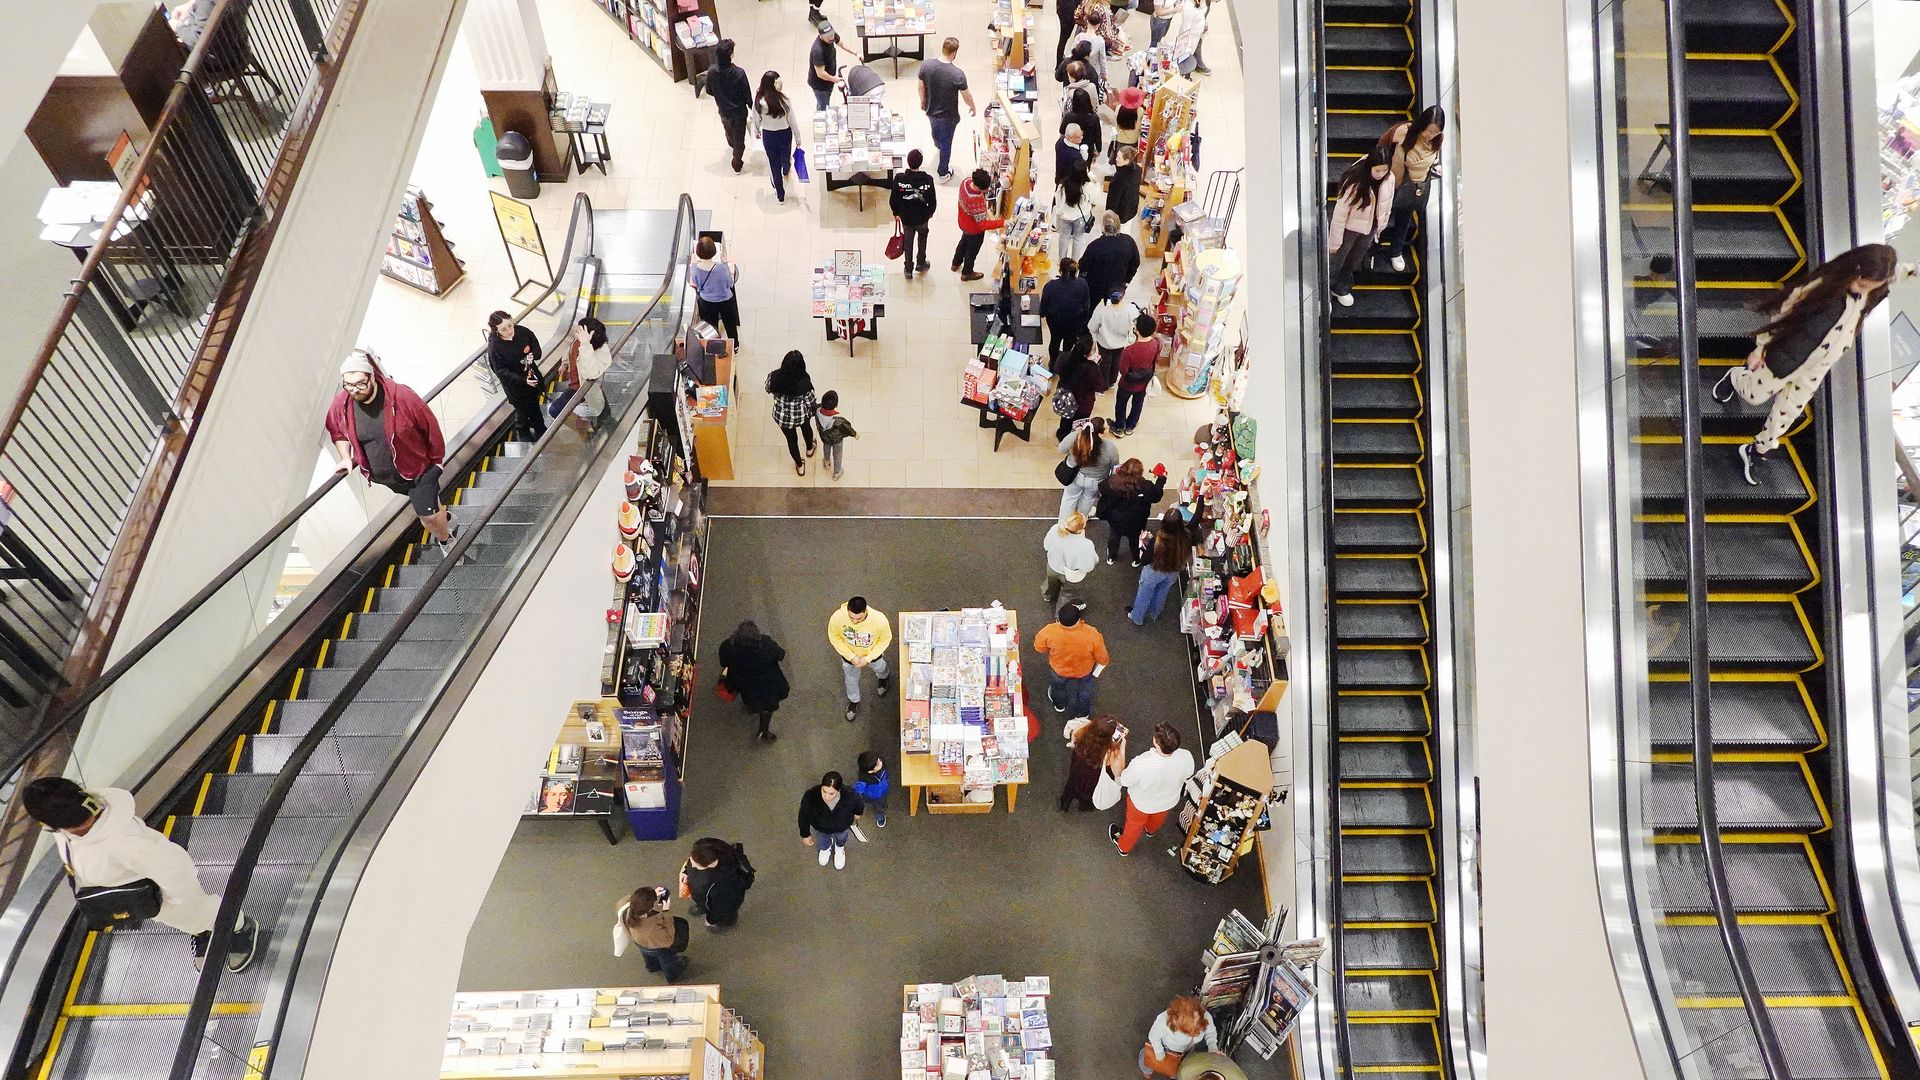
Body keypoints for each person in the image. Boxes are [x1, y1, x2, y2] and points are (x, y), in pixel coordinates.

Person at [1710, 243, 1911, 484]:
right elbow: (1783, 315)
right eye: (1861, 284)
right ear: (1852, 271)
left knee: (1787, 413)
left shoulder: (1876, 283)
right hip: (1787, 357)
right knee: (1754, 396)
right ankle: (1735, 377)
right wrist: (1760, 349)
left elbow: (1898, 272)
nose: (1862, 290)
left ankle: (1756, 450)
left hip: (1815, 369)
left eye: (1870, 287)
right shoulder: (1820, 287)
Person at [23, 777, 258, 973]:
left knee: (197, 913)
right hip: (137, 890)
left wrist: (178, 904)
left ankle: (239, 927)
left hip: (164, 892)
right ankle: (202, 929)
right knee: (184, 919)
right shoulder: (73, 820)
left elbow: (175, 871)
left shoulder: (125, 844)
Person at [326, 351, 456, 552]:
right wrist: (345, 457)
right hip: (387, 477)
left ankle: (446, 540)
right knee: (432, 509)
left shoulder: (401, 397)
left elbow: (430, 426)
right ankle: (444, 519)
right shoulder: (342, 403)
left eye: (361, 383)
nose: (355, 390)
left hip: (419, 471)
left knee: (427, 516)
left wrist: (437, 462)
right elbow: (337, 431)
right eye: (349, 385)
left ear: (372, 376)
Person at [1110, 722, 1195, 856]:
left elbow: (1125, 780)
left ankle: (1124, 847)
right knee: (1158, 819)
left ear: (1156, 742)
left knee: (1133, 826)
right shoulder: (1186, 756)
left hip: (1140, 804)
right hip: (1168, 801)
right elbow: (1188, 774)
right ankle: (1150, 830)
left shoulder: (1141, 763)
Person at [1377, 105, 1445, 271]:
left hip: (1415, 187)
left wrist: (1434, 166)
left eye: (1435, 132)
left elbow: (1433, 157)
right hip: (1394, 182)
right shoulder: (1404, 134)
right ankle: (1371, 248)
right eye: (1428, 131)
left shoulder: (1438, 139)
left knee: (1404, 218)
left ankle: (1396, 250)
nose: (1430, 136)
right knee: (1380, 216)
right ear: (1421, 125)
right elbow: (1383, 147)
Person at [1328, 145, 1396, 307]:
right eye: (1377, 170)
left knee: (1354, 259)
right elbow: (1340, 214)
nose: (1380, 175)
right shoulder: (1355, 181)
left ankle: (1341, 287)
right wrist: (1335, 241)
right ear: (1370, 166)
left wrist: (1380, 229)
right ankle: (1325, 290)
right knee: (1337, 259)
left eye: (1384, 170)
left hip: (1370, 228)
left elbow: (1386, 206)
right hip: (1348, 230)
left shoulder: (1389, 179)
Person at [717, 620, 789, 742]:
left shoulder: (727, 648)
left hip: (746, 685)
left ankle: (751, 708)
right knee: (768, 707)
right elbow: (781, 654)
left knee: (751, 700)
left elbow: (723, 663)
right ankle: (763, 730)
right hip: (769, 685)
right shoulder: (766, 645)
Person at [1034, 602, 1109, 719]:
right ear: (1079, 619)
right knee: (1085, 691)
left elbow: (1039, 647)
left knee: (1058, 687)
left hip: (1059, 669)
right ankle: (1083, 713)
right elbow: (1102, 657)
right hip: (1084, 670)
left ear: (1059, 619)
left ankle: (1059, 705)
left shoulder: (1049, 631)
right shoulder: (1092, 634)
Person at [486, 310, 548, 441]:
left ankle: (539, 428)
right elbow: (501, 371)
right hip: (516, 387)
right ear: (496, 330)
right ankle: (524, 431)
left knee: (534, 405)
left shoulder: (523, 332)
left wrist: (533, 355)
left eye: (510, 325)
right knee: (522, 410)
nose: (509, 330)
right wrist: (523, 380)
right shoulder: (495, 348)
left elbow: (536, 349)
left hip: (532, 378)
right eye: (504, 329)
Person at [919, 37, 976, 180]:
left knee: (935, 132)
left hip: (931, 109)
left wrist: (923, 101)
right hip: (948, 116)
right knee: (947, 143)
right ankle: (943, 172)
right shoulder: (957, 74)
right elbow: (966, 95)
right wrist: (972, 107)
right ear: (954, 53)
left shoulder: (926, 65)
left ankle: (938, 144)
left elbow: (920, 86)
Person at [828, 595, 893, 721]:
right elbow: (835, 638)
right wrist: (851, 656)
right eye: (851, 618)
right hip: (850, 659)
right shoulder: (837, 617)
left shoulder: (879, 619)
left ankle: (884, 678)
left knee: (881, 668)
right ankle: (854, 701)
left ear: (866, 611)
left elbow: (885, 640)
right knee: (851, 680)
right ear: (847, 610)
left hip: (872, 656)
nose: (855, 622)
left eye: (859, 618)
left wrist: (868, 658)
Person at [1097, 459, 1167, 564]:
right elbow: (1156, 495)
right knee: (1135, 541)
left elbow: (1101, 488)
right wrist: (1161, 479)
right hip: (1137, 522)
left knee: (1114, 538)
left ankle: (1111, 557)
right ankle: (1136, 559)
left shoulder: (1112, 483)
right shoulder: (1146, 486)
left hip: (1116, 521)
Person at [611, 885, 687, 982]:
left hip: (638, 942)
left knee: (648, 956)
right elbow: (668, 940)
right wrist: (666, 911)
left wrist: (651, 895)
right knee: (667, 960)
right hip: (654, 945)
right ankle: (672, 975)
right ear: (649, 908)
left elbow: (636, 901)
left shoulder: (623, 905)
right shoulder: (650, 929)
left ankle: (652, 966)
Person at [679, 837, 755, 929]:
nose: (692, 865)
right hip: (704, 896)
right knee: (706, 901)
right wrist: (686, 872)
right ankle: (702, 907)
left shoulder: (726, 883)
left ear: (711, 864)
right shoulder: (702, 848)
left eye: (696, 865)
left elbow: (723, 907)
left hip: (723, 906)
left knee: (724, 917)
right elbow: (690, 862)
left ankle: (725, 923)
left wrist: (711, 920)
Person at [1129, 508, 1190, 624]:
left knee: (1144, 594)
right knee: (1162, 591)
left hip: (1154, 571)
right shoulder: (1186, 536)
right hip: (1173, 571)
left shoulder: (1156, 541)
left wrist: (1143, 543)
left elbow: (1144, 561)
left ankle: (1137, 618)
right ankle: (1155, 613)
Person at [797, 771, 865, 870]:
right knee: (823, 839)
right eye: (824, 791)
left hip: (842, 826)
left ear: (839, 790)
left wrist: (858, 812)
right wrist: (805, 834)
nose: (827, 797)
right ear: (821, 787)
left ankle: (839, 848)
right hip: (821, 828)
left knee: (841, 838)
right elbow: (803, 815)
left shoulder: (849, 795)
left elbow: (859, 804)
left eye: (831, 793)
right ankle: (825, 849)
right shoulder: (811, 796)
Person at [766, 350, 819, 475]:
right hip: (800, 415)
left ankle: (800, 465)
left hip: (782, 416)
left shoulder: (774, 377)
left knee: (791, 440)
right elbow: (811, 401)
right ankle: (810, 448)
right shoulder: (804, 383)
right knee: (806, 429)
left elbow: (767, 388)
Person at [1140, 995, 1221, 1077]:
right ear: (1175, 1022)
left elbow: (1211, 1033)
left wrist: (1213, 1047)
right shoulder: (1163, 1020)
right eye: (1187, 1033)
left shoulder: (1206, 1017)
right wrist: (1160, 1053)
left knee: (1175, 1068)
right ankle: (1147, 1073)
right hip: (1165, 1047)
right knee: (1148, 1061)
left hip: (1186, 1050)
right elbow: (1153, 1036)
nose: (1192, 1035)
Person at [555, 317, 612, 433]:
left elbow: (590, 374)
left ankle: (600, 426)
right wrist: (564, 363)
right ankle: (585, 425)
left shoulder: (602, 353)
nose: (576, 332)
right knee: (600, 409)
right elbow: (571, 349)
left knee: (555, 410)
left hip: (584, 387)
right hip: (575, 383)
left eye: (579, 330)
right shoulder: (579, 340)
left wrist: (585, 345)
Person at [1059, 714, 1125, 811]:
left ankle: (1065, 803)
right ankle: (1084, 807)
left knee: (1072, 784)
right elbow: (1118, 771)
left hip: (1077, 765)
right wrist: (1122, 748)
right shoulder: (1111, 751)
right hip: (1094, 775)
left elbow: (1074, 739)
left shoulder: (1082, 730)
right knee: (1089, 792)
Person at [890, 150, 939, 279]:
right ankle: (921, 263)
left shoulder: (899, 179)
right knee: (922, 239)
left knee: (908, 242)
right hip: (922, 217)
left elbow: (893, 199)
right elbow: (932, 200)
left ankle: (908, 269)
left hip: (906, 218)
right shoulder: (928, 180)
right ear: (920, 163)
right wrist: (930, 213)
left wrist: (896, 213)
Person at [1039, 259, 1094, 371]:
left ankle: (1053, 363)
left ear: (1060, 270)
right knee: (1069, 344)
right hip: (1074, 323)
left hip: (1055, 322)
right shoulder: (1083, 284)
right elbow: (1086, 306)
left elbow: (1043, 307)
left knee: (1054, 341)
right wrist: (1083, 322)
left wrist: (1042, 313)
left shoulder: (1051, 286)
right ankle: (1064, 365)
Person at [1059, 416, 1118, 519]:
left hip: (1074, 476)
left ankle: (1063, 525)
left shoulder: (1076, 437)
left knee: (1069, 499)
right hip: (1095, 481)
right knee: (1088, 500)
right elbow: (1115, 468)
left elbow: (1062, 449)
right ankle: (1079, 523)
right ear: (1101, 433)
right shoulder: (1110, 448)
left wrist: (1076, 433)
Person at [708, 39, 754, 173]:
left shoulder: (712, 71)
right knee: (740, 140)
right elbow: (747, 97)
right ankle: (736, 163)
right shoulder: (739, 73)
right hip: (739, 113)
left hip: (723, 110)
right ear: (731, 55)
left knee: (728, 130)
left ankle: (732, 144)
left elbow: (709, 90)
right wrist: (756, 111)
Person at [689, 236, 742, 351]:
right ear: (714, 251)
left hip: (706, 302)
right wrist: (725, 262)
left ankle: (716, 347)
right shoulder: (722, 269)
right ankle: (735, 346)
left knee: (711, 326)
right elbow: (729, 283)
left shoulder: (694, 269)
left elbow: (695, 284)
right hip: (725, 301)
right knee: (730, 323)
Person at [1111, 313, 1160, 435]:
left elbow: (1123, 370)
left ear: (1137, 331)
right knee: (1138, 404)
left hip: (1127, 384)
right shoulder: (1156, 343)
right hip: (1144, 383)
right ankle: (1130, 426)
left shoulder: (1129, 350)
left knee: (1121, 404)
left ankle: (1119, 427)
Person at [953, 168, 1005, 280]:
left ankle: (955, 263)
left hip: (963, 222)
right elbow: (983, 225)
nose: (987, 190)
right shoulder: (977, 200)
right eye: (986, 188)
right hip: (974, 230)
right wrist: (1003, 223)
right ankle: (967, 273)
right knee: (971, 251)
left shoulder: (965, 182)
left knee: (963, 242)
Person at [1042, 511, 1099, 608]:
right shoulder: (1085, 544)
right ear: (1081, 528)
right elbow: (1089, 565)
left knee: (1050, 583)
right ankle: (1060, 614)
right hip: (1069, 575)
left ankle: (1047, 596)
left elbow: (1046, 546)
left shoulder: (1055, 529)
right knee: (1067, 594)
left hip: (1052, 566)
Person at [1081, 212, 1142, 302]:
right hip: (1117, 284)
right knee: (1111, 306)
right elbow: (1135, 263)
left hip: (1096, 285)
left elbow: (1083, 265)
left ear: (1103, 227)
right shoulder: (1129, 241)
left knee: (1092, 306)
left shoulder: (1095, 245)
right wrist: (1126, 280)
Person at [1054, 338, 1107, 440]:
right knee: (1078, 423)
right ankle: (1074, 440)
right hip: (1083, 403)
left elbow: (1056, 368)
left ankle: (1062, 435)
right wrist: (1097, 365)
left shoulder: (1064, 357)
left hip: (1066, 398)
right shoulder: (1092, 369)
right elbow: (1100, 386)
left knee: (1066, 419)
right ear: (1087, 354)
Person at [754, 71, 795, 202]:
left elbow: (756, 118)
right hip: (785, 133)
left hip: (769, 135)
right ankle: (786, 169)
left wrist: (756, 130)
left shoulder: (759, 101)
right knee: (786, 154)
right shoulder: (784, 101)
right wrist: (798, 138)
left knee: (773, 164)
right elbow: (792, 121)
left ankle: (780, 194)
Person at [1088, 288, 1137, 386]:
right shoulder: (1131, 310)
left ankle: (1103, 385)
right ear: (1122, 297)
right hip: (1120, 344)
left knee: (1104, 364)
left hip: (1104, 344)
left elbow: (1092, 327)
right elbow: (1135, 325)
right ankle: (1112, 381)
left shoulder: (1102, 311)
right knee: (1117, 362)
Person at [1054, 163, 1097, 261]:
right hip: (1080, 218)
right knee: (1078, 239)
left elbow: (1058, 200)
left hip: (1065, 216)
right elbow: (1094, 200)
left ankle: (1062, 261)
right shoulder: (1089, 186)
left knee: (1064, 237)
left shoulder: (1063, 185)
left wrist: (1059, 212)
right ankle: (1074, 263)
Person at [816, 390, 858, 481]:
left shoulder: (817, 411)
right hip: (837, 440)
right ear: (836, 405)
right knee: (837, 455)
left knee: (826, 447)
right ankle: (837, 472)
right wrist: (855, 434)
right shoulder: (838, 419)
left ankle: (826, 462)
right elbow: (847, 428)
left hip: (825, 437)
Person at [1168, 0, 1208, 76]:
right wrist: (1187, 45)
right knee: (1184, 60)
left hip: (1196, 36)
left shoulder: (1200, 3)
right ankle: (1182, 76)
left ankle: (1186, 75)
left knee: (1189, 58)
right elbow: (1186, 28)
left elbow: (1203, 11)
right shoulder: (1189, 8)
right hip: (1189, 39)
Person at [853, 750, 892, 828]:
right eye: (877, 764)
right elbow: (858, 790)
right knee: (879, 806)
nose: (880, 762)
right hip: (872, 795)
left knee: (882, 802)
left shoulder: (881, 764)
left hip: (883, 790)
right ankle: (880, 816)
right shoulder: (864, 779)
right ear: (871, 771)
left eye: (879, 759)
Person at [1061, 89, 1103, 161]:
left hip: (1071, 147)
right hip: (1088, 148)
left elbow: (1062, 130)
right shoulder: (1094, 118)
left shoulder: (1069, 117)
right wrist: (1098, 149)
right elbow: (1097, 136)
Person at [807, 23, 842, 109]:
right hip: (820, 86)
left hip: (829, 80)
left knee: (824, 102)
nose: (831, 38)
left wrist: (856, 53)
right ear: (821, 36)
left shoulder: (832, 36)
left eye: (832, 35)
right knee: (823, 106)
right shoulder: (817, 51)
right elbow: (821, 74)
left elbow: (842, 44)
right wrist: (834, 79)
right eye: (827, 36)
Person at [1107, 146, 1144, 224]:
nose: (1116, 159)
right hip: (1132, 207)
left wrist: (1109, 216)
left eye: (1119, 158)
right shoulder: (1137, 169)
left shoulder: (1119, 178)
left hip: (1121, 212)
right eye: (1117, 156)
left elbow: (1113, 200)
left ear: (1127, 160)